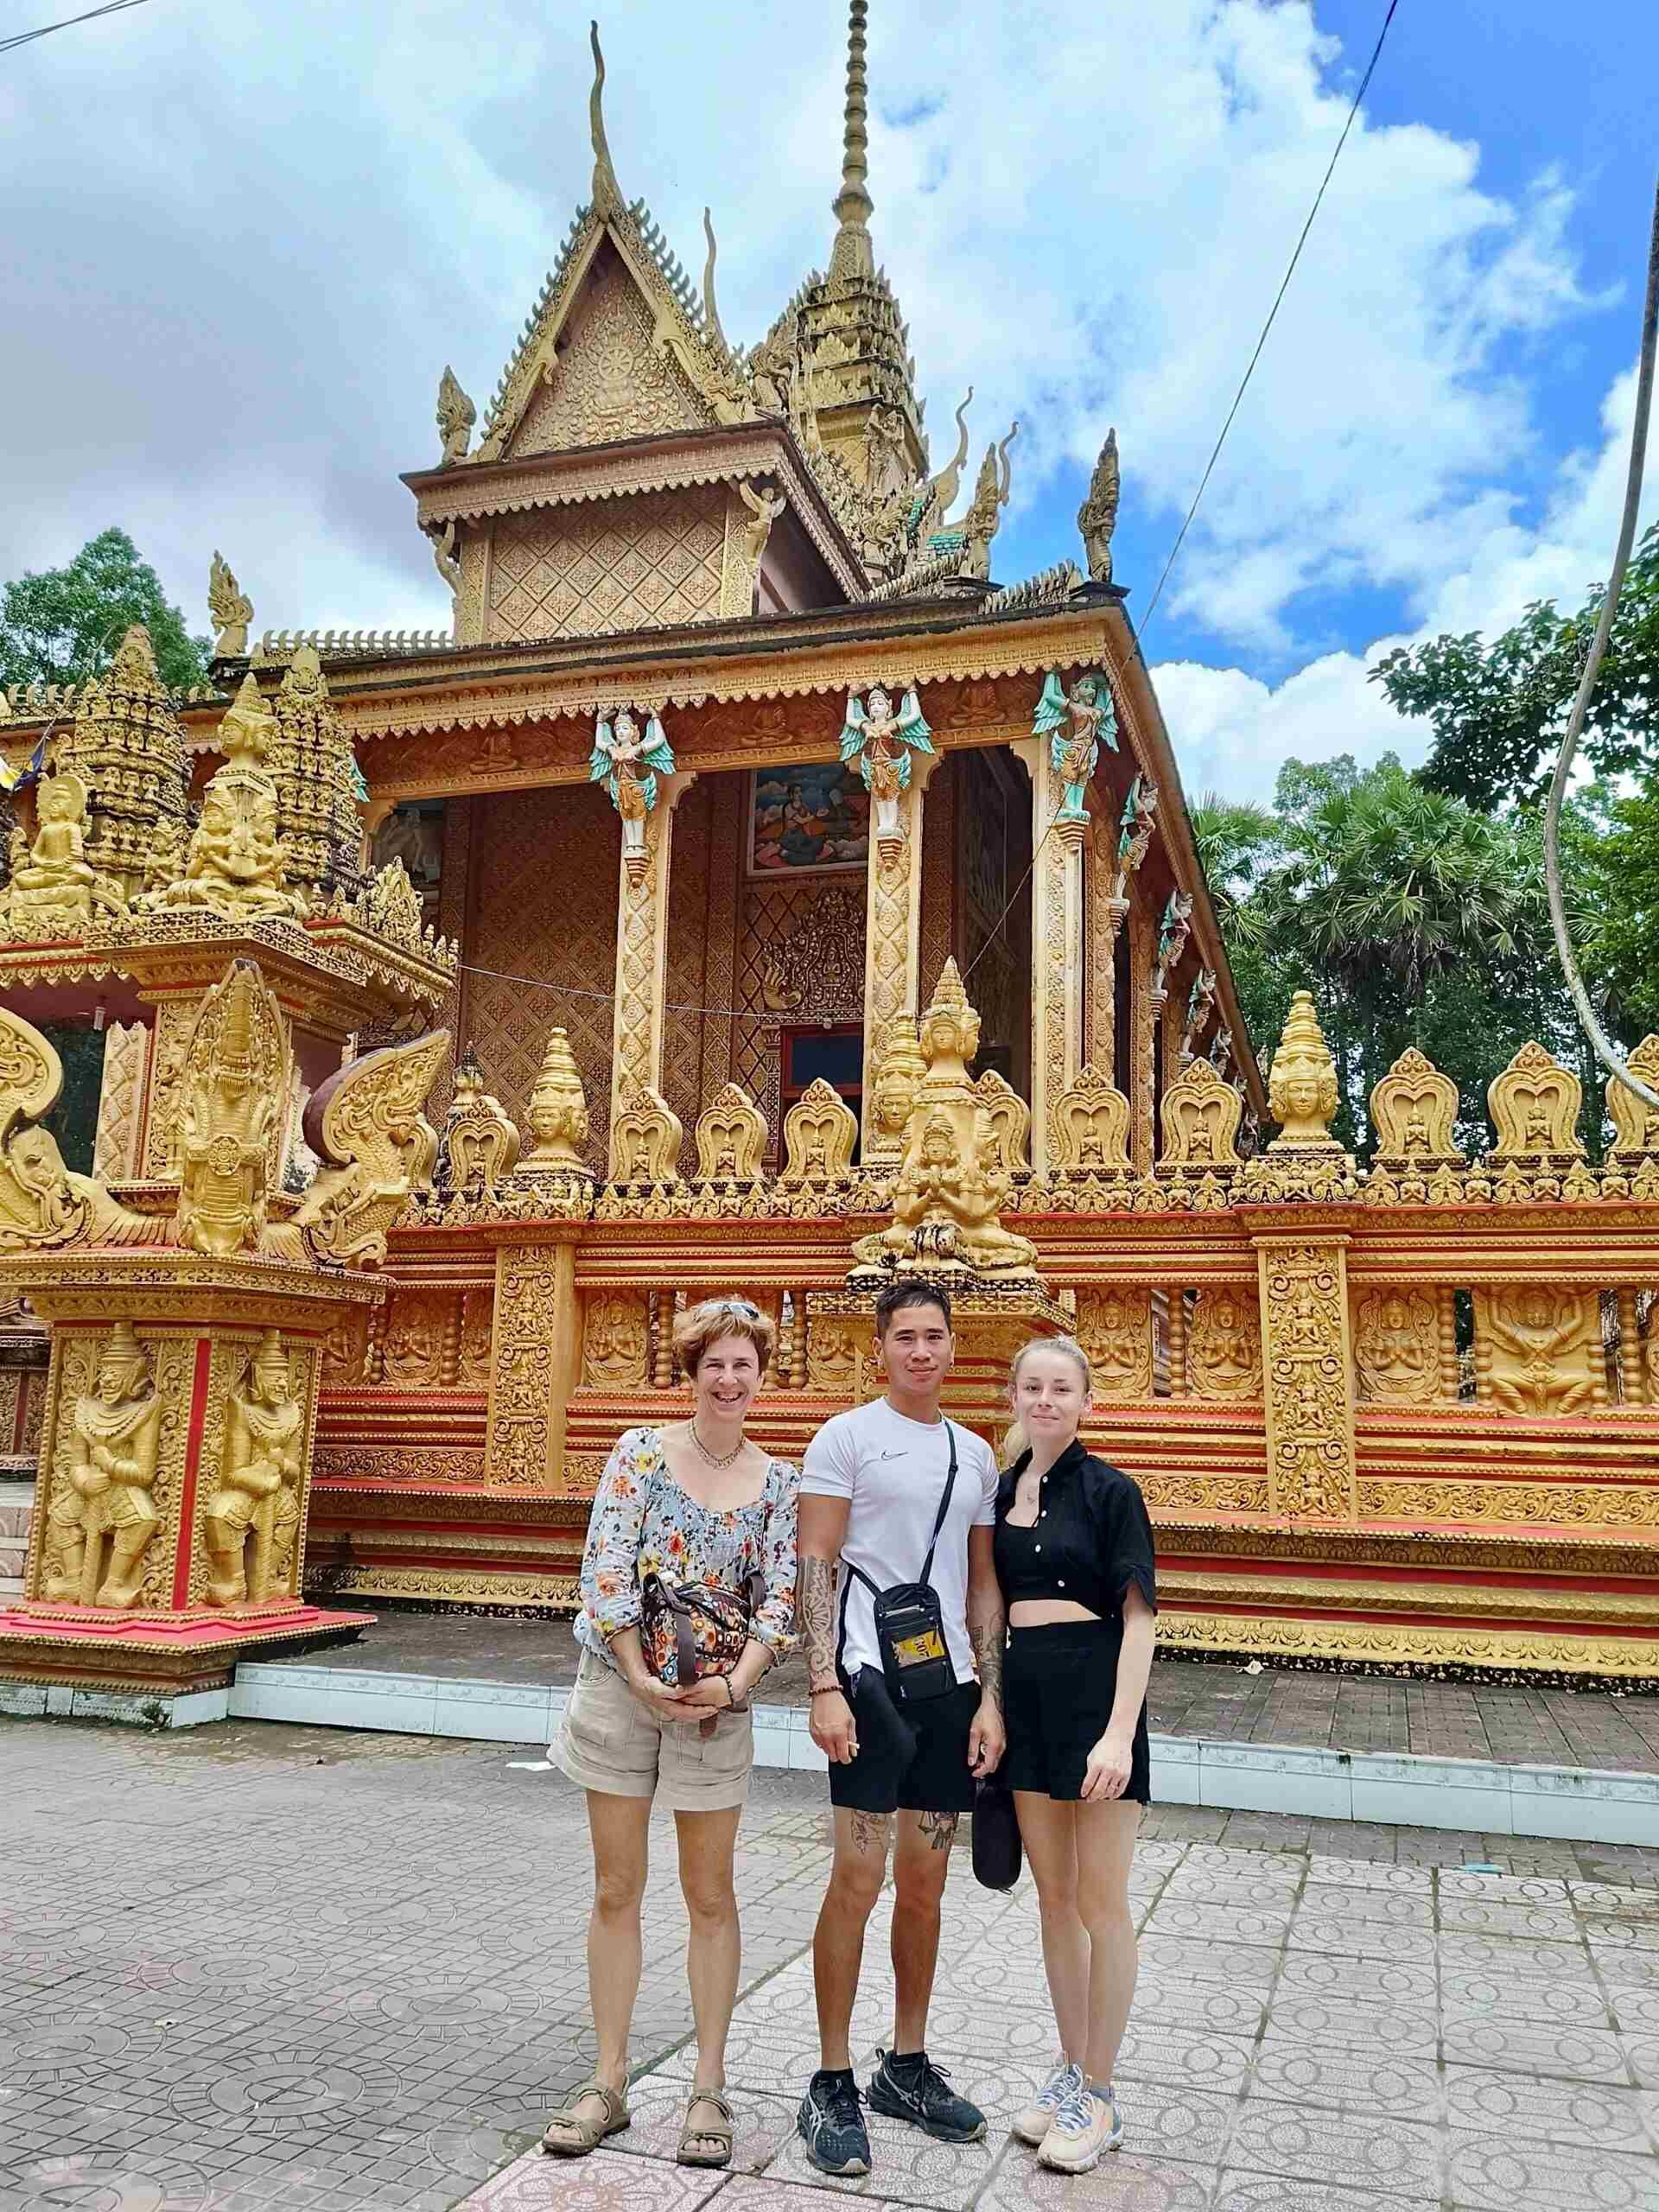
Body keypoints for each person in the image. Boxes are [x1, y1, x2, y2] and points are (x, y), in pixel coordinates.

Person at [543, 1296, 798, 2171]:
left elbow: (782, 1599)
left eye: (744, 1365)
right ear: (690, 1373)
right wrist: (641, 1673)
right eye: (714, 1364)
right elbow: (606, 1562)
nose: (729, 1380)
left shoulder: (780, 1480)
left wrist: (733, 1683)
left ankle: (708, 2082)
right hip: (623, 1686)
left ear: (763, 1376)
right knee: (617, 1885)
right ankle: (609, 2079)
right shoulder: (641, 1454)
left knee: (712, 1894)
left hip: (717, 1704)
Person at [795, 1280, 1007, 2179]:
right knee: (858, 1875)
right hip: (869, 1687)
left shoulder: (976, 1453)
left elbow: (980, 1582)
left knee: (924, 1884)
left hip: (948, 1688)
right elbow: (817, 1560)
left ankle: (906, 2064)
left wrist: (989, 1695)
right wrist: (821, 1684)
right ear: (879, 1348)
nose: (921, 1351)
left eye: (934, 1337)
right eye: (905, 1337)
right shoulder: (846, 1437)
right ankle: (833, 2076)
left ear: (954, 1348)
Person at [995, 1335, 1157, 2175]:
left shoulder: (1111, 1492)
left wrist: (1120, 1732)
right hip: (1028, 1707)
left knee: (1102, 1901)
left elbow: (1140, 1619)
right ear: (1015, 1397)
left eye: (1062, 1388)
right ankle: (1069, 2072)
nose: (1047, 1400)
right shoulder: (1004, 1491)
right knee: (1054, 1899)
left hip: (1097, 1704)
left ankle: (1101, 2089)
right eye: (1033, 1386)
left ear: (1086, 1400)